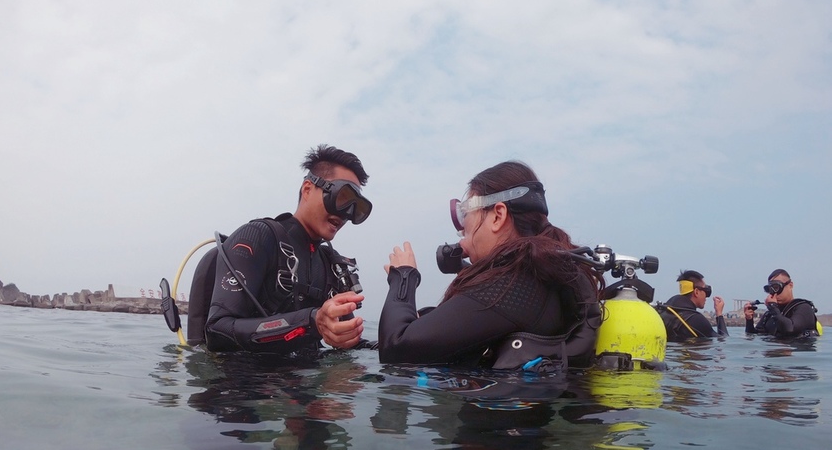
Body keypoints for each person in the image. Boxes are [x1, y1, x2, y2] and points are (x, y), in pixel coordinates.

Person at [377, 160, 602, 370]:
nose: (462, 228)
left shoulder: (515, 284)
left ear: (497, 216)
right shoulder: (540, 277)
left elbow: (396, 351)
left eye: (465, 213)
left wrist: (403, 277)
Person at [198, 144, 373, 355]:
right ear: (308, 189)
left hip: (307, 384)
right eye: (342, 198)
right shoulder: (257, 237)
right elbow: (217, 331)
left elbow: (350, 341)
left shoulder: (331, 265)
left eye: (356, 207)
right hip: (242, 384)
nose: (346, 214)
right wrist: (311, 323)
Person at [743, 269, 819, 338]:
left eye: (776, 287)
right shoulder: (770, 314)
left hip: (794, 351)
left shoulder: (804, 308)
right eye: (770, 289)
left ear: (790, 285)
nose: (774, 293)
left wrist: (773, 308)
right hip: (773, 350)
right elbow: (754, 335)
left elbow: (790, 329)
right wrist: (749, 320)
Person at [657, 270, 728, 341]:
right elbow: (723, 340)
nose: (706, 296)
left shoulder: (664, 312)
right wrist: (719, 314)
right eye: (705, 290)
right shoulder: (696, 320)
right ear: (696, 292)